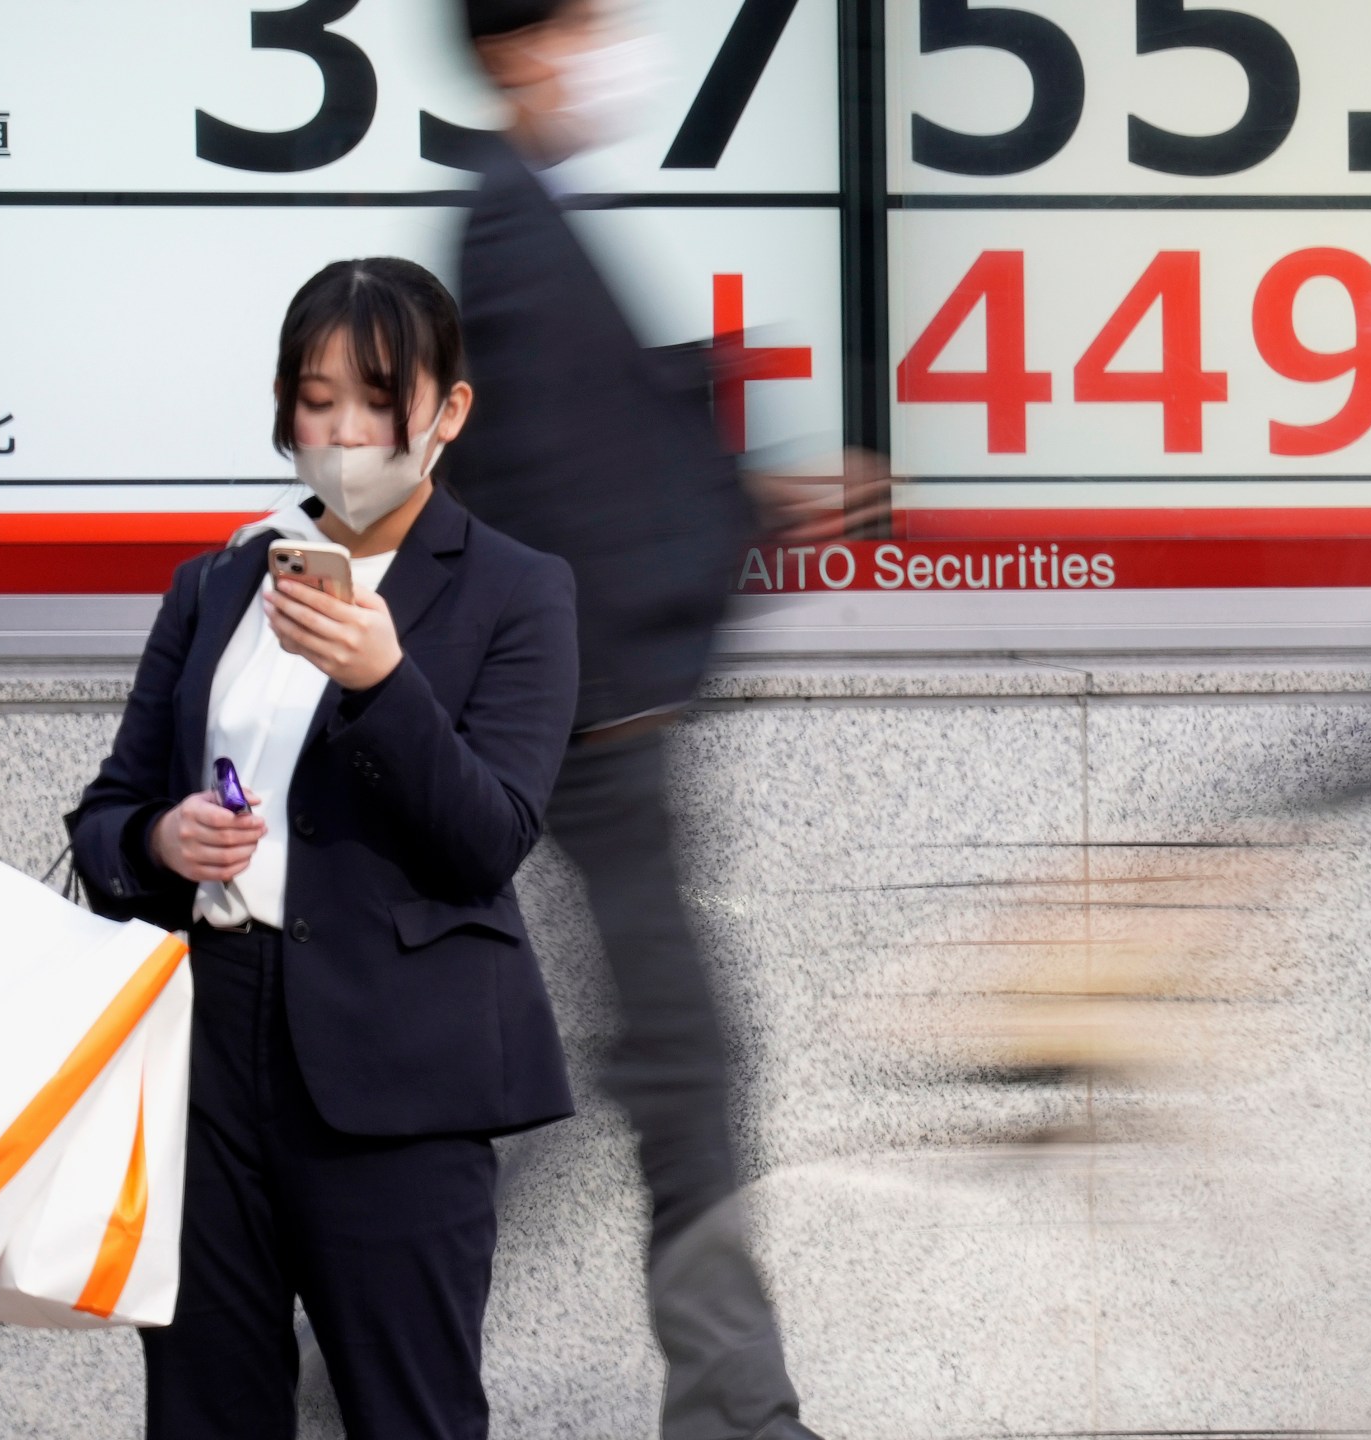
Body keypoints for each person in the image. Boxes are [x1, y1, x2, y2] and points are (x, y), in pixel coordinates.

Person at [67, 256, 581, 1440]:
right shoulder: (217, 582)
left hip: (399, 1065)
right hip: (204, 1056)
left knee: (411, 1412)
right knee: (205, 1412)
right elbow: (105, 817)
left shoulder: (516, 590)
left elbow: (487, 840)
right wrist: (163, 836)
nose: (342, 430)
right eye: (314, 397)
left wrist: (383, 680)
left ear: (447, 412)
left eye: (376, 396)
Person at [441, 4, 828, 1439]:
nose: (621, 46)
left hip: (593, 728)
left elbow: (580, 462)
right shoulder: (511, 231)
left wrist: (750, 493)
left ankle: (347, 1374)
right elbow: (548, 495)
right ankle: (736, 1414)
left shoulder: (524, 214)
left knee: (632, 1074)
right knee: (669, 1068)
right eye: (596, 23)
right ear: (525, 45)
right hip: (597, 737)